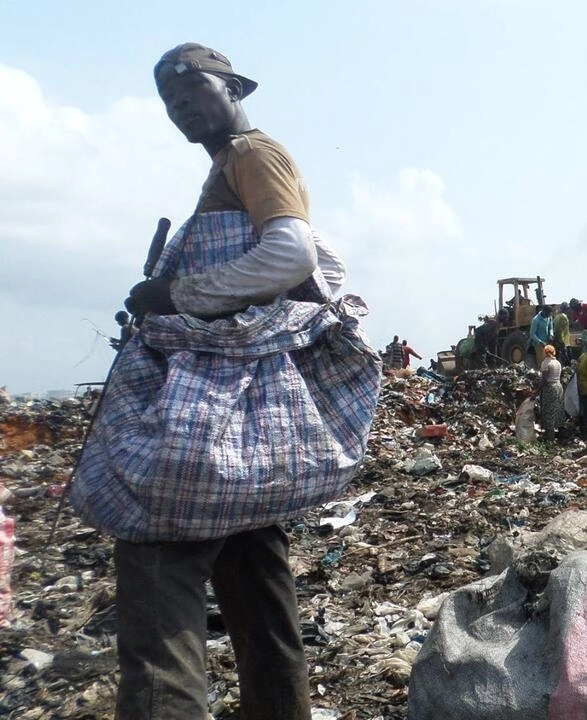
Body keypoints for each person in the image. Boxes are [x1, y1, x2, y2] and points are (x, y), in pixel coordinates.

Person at [74, 43, 381, 720]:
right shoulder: (233, 165)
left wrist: (179, 295)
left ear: (232, 85)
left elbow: (292, 253)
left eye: (193, 88)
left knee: (157, 557)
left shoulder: (252, 154)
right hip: (246, 418)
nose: (180, 106)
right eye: (169, 99)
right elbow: (321, 259)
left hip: (211, 405)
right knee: (256, 578)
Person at [539, 345, 567, 442]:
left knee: (548, 413)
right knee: (559, 411)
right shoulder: (557, 362)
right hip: (559, 387)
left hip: (550, 389)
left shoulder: (545, 363)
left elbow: (544, 380)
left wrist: (536, 392)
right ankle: (562, 438)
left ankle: (550, 440)